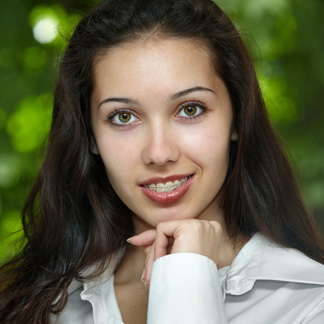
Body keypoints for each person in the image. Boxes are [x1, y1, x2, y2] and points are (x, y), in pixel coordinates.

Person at [1, 0, 324, 323]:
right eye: (124, 116)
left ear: (237, 118)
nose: (159, 153)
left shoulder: (310, 304)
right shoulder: (42, 307)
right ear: (90, 136)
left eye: (190, 109)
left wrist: (186, 276)